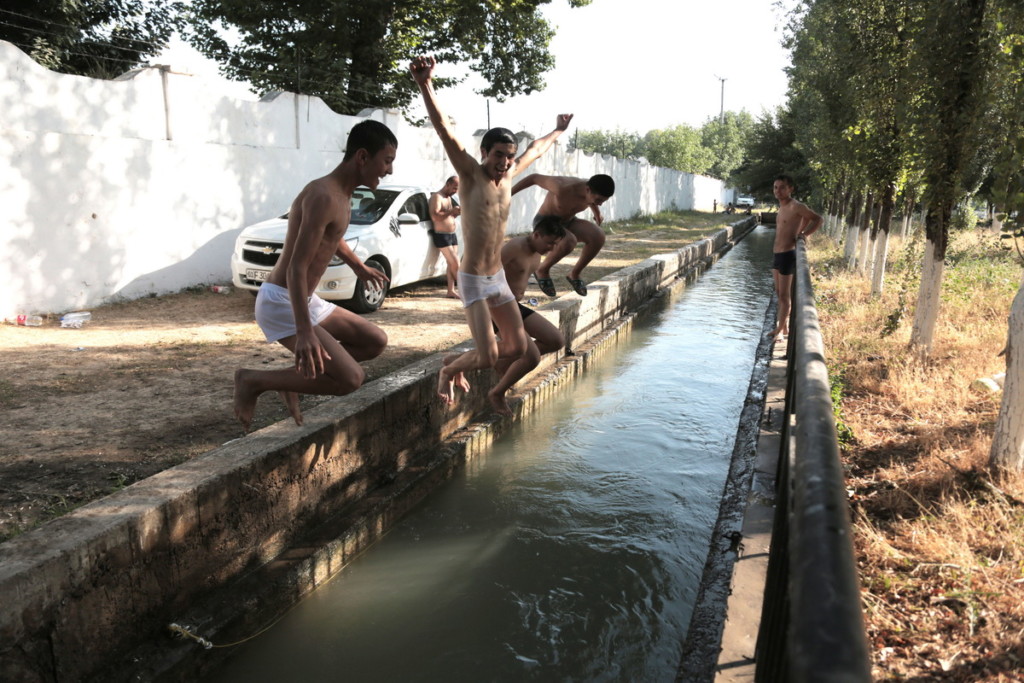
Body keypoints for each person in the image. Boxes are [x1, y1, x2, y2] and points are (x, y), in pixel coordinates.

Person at [409, 54, 572, 407]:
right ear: (484, 152)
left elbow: (536, 150)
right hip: (473, 279)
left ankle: (458, 363)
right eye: (498, 154)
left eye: (509, 156)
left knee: (517, 347)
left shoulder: (510, 175)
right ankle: (448, 369)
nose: (504, 162)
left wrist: (558, 130)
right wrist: (426, 85)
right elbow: (444, 130)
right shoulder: (470, 174)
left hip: (496, 278)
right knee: (486, 356)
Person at [232, 120, 396, 431]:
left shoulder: (342, 194)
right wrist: (305, 332)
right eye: (386, 161)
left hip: (306, 299)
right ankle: (252, 380)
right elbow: (296, 266)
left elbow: (332, 237)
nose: (389, 170)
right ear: (363, 156)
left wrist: (358, 267)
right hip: (282, 301)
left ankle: (294, 380)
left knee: (374, 341)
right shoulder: (324, 195)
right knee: (351, 378)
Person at [488, 217, 568, 415]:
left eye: (555, 244)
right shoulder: (515, 247)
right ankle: (497, 393)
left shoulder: (537, 253)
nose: (551, 248)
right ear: (537, 235)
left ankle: (504, 363)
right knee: (532, 357)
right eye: (549, 243)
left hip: (514, 306)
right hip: (497, 307)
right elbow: (486, 271)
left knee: (556, 340)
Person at [510, 173, 615, 297]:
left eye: (603, 201)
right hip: (545, 222)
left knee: (598, 236)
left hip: (568, 221)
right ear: (587, 190)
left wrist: (597, 214)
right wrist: (508, 194)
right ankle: (542, 270)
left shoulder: (592, 190)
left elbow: (592, 201)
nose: (600, 204)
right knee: (569, 241)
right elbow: (533, 178)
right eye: (598, 200)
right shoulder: (562, 186)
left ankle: (574, 274)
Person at [770, 174, 822, 340]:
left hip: (787, 254)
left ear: (790, 189)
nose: (778, 191)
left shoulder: (797, 206)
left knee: (785, 296)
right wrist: (801, 228)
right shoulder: (782, 206)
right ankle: (784, 327)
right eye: (776, 187)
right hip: (777, 254)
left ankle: (780, 330)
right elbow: (799, 222)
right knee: (779, 292)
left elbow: (817, 219)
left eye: (782, 187)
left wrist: (804, 234)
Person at [429, 175, 462, 298]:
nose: (455, 191)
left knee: (451, 263)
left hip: (452, 235)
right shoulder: (437, 197)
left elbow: (448, 215)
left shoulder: (448, 198)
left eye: (457, 189)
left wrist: (456, 213)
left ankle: (450, 290)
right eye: (454, 188)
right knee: (456, 263)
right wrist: (451, 211)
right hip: (441, 235)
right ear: (448, 184)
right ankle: (465, 290)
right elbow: (435, 216)